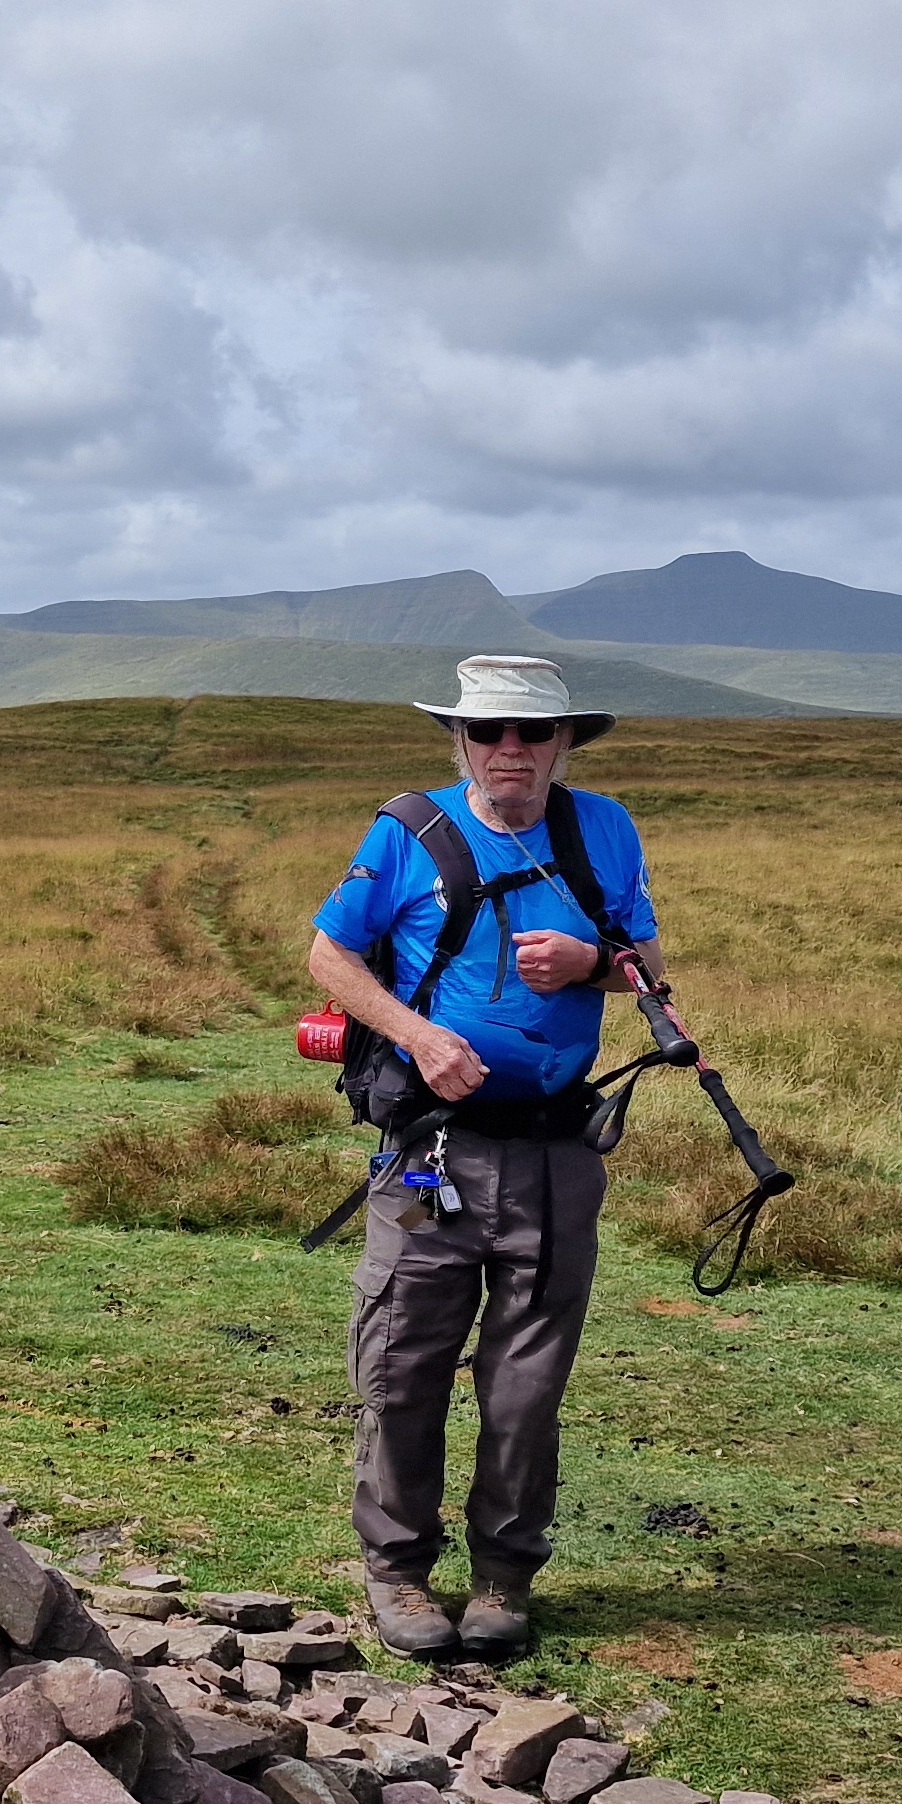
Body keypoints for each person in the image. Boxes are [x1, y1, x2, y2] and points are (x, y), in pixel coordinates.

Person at [304, 654, 660, 1659]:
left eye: (532, 731)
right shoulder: (407, 830)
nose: (511, 749)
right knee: (403, 1362)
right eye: (488, 731)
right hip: (430, 1155)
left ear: (564, 742)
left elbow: (647, 966)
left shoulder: (605, 829)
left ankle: (504, 1577)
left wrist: (594, 964)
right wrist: (418, 1038)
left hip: (555, 1155)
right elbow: (329, 953)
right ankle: (399, 1574)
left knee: (526, 1384)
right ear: (458, 740)